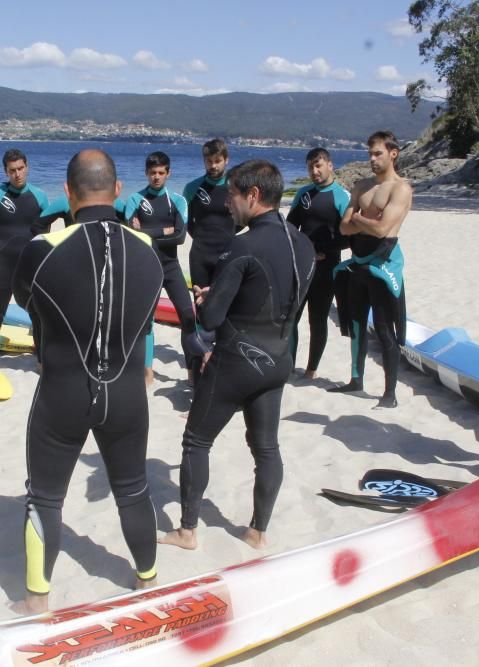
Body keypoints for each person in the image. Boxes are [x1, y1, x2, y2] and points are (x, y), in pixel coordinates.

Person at [12, 149, 164, 614]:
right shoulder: (148, 248)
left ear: (67, 193)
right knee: (134, 488)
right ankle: (148, 583)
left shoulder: (41, 249)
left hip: (63, 391)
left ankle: (38, 600)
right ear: (118, 191)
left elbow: (29, 300)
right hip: (126, 394)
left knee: (44, 496)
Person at [160, 159, 315, 551]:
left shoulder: (242, 244)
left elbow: (210, 320)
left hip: (236, 361)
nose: (226, 203)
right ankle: (257, 531)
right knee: (266, 448)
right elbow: (281, 298)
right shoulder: (303, 243)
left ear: (253, 195)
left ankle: (187, 531)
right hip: (279, 359)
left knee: (196, 441)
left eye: (231, 194)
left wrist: (206, 298)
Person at [330, 131, 413, 408]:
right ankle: (356, 380)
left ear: (393, 153)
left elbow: (383, 229)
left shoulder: (400, 188)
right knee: (355, 324)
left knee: (384, 328)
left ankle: (389, 394)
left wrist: (359, 218)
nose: (372, 159)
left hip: (383, 264)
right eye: (370, 153)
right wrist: (367, 219)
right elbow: (343, 226)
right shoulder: (361, 186)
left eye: (377, 153)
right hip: (358, 262)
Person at [123, 151, 203, 382]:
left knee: (188, 318)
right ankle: (147, 372)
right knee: (147, 322)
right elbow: (132, 236)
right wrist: (162, 231)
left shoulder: (177, 201)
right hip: (146, 268)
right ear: (146, 173)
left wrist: (146, 232)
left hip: (171, 267)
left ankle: (191, 371)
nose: (156, 177)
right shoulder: (135, 200)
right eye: (152, 173)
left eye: (161, 173)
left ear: (168, 173)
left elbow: (179, 237)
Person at [0, 149, 49, 367]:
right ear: (5, 171)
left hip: (31, 268)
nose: (17, 174)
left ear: (27, 167)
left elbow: (45, 234)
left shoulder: (40, 196)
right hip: (4, 266)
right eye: (12, 171)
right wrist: (0, 253)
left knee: (38, 317)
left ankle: (42, 363)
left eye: (20, 169)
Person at [286, 148, 350, 378]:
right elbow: (290, 228)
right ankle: (289, 365)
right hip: (302, 266)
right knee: (291, 317)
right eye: (310, 167)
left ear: (330, 165)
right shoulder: (303, 194)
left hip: (327, 267)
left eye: (318, 165)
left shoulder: (341, 196)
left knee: (318, 319)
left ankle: (311, 369)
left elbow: (348, 237)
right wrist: (306, 249)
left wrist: (324, 250)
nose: (314, 171)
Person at [183, 138, 234, 289]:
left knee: (226, 304)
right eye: (208, 161)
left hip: (228, 253)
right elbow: (185, 222)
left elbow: (243, 218)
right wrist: (201, 237)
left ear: (226, 160)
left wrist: (229, 235)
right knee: (200, 305)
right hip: (200, 255)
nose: (213, 165)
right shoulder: (192, 188)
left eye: (217, 161)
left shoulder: (235, 187)